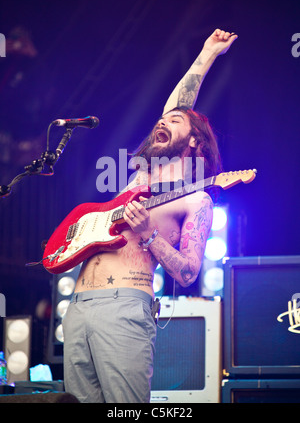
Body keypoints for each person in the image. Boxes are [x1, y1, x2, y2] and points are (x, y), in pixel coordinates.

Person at [62, 28, 238, 403]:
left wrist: (149, 234)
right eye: (164, 120)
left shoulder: (197, 201)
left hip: (124, 306)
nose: (165, 122)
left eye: (176, 123)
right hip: (77, 309)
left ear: (194, 140)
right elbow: (174, 107)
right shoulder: (142, 176)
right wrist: (205, 53)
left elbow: (189, 273)